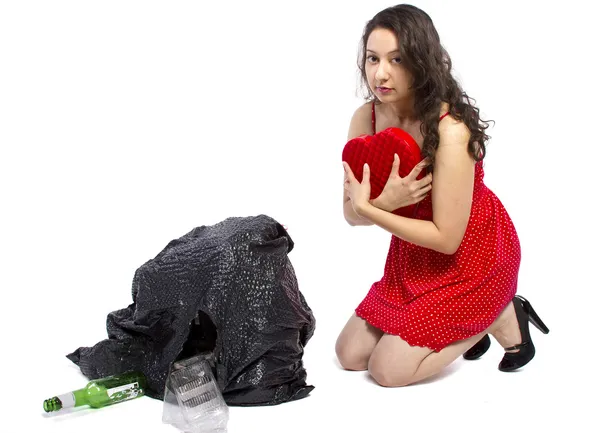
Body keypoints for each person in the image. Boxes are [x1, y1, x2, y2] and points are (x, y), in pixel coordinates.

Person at [337, 3, 549, 387]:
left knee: (387, 370)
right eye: (372, 58)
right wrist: (384, 204)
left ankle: (499, 312)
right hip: (412, 258)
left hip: (472, 259)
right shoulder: (365, 119)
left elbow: (448, 240)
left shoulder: (450, 129)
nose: (380, 73)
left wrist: (371, 207)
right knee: (349, 356)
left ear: (421, 61)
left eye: (396, 59)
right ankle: (479, 320)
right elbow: (351, 214)